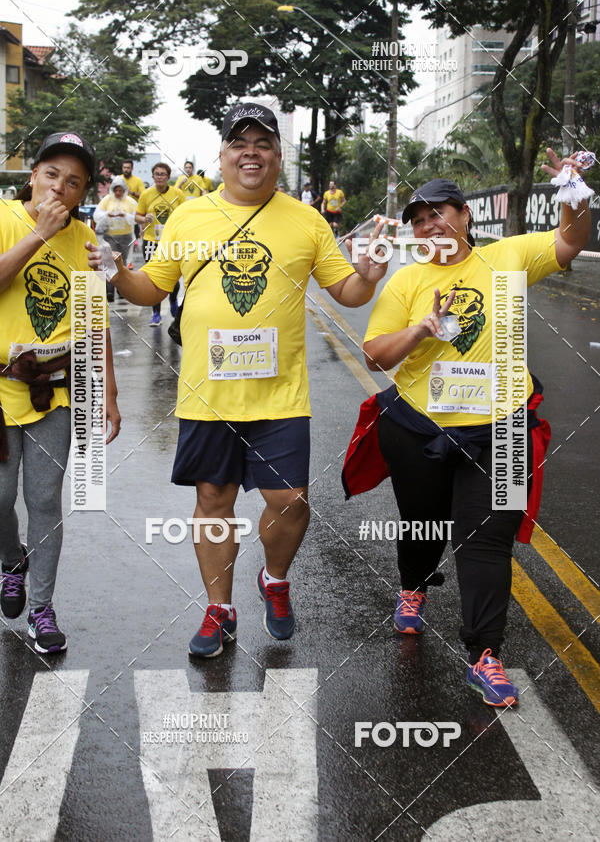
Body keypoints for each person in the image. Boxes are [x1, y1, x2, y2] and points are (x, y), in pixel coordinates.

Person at [87, 101, 386, 658]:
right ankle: (218, 610)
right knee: (213, 500)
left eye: (263, 143)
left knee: (291, 501)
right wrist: (115, 270)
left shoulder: (306, 220)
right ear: (223, 157)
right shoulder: (190, 217)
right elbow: (152, 289)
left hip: (280, 395)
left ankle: (274, 579)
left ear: (277, 157)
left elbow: (346, 292)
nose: (252, 152)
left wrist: (367, 278)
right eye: (240, 143)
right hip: (207, 393)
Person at [351, 153, 591, 707]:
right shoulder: (408, 280)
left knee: (485, 542)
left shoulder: (508, 257)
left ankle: (485, 654)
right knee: (423, 525)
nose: (430, 224)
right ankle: (413, 587)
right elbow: (373, 357)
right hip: (417, 429)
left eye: (440, 212)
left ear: (464, 216)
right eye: (419, 218)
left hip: (502, 430)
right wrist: (420, 330)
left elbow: (571, 240)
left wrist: (575, 191)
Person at [0, 131, 120, 654]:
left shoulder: (85, 241)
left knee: (45, 499)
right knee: (1, 498)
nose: (60, 188)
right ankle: (10, 562)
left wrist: (109, 392)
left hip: (56, 390)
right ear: (33, 175)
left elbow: (95, 320)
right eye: (52, 175)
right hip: (0, 389)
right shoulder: (5, 219)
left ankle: (43, 609)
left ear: (83, 190)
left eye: (73, 182)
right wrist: (37, 235)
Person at [135, 163, 186, 326]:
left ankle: (172, 301)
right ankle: (155, 313)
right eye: (156, 174)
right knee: (152, 277)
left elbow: (186, 214)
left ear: (168, 177)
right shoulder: (146, 194)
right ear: (153, 177)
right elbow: (137, 216)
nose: (159, 177)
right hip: (151, 240)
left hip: (171, 242)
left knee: (174, 275)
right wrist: (144, 219)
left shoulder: (177, 194)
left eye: (163, 174)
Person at [93, 177, 137, 300]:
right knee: (109, 261)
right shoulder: (106, 200)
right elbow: (97, 215)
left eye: (121, 190)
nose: (118, 193)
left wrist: (125, 215)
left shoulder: (130, 202)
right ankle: (109, 290)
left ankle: (121, 290)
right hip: (109, 236)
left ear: (124, 190)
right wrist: (108, 214)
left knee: (121, 263)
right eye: (116, 190)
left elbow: (136, 218)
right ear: (113, 190)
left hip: (125, 237)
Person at [120, 159, 145, 251]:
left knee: (133, 226)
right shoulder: (118, 179)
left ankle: (134, 241)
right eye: (124, 167)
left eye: (128, 168)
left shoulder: (137, 180)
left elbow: (143, 195)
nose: (126, 169)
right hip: (120, 208)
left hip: (134, 209)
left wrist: (132, 192)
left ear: (132, 168)